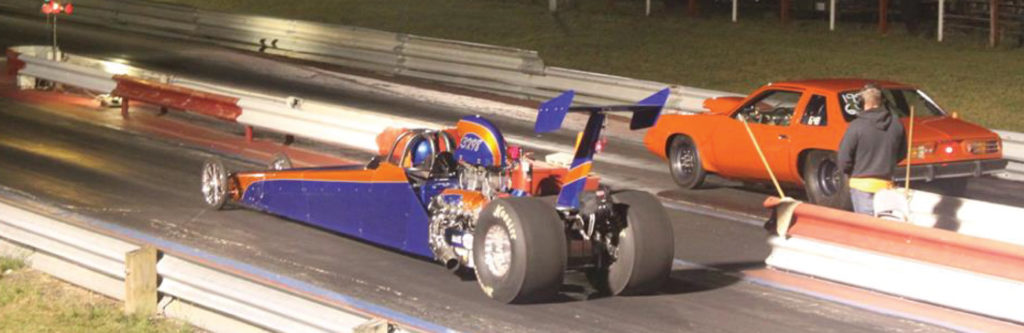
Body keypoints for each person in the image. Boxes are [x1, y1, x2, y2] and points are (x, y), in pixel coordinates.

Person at [838, 84, 907, 216]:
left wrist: (851, 171)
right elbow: (902, 153)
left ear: (862, 102)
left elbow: (844, 158)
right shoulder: (896, 124)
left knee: (866, 229)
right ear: (882, 101)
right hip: (886, 186)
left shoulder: (856, 126)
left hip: (861, 186)